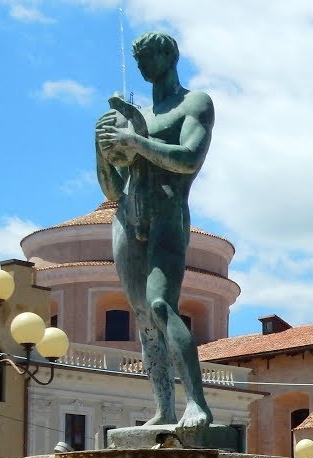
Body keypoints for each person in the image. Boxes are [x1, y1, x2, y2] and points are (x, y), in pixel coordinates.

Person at [95, 30, 214, 432]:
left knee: (161, 304)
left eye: (148, 57)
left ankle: (197, 404)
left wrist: (135, 140)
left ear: (169, 55)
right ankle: (164, 408)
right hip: (128, 217)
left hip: (168, 216)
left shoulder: (194, 103)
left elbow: (188, 159)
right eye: (138, 59)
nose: (142, 65)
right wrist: (102, 148)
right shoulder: (139, 116)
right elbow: (113, 188)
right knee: (144, 318)